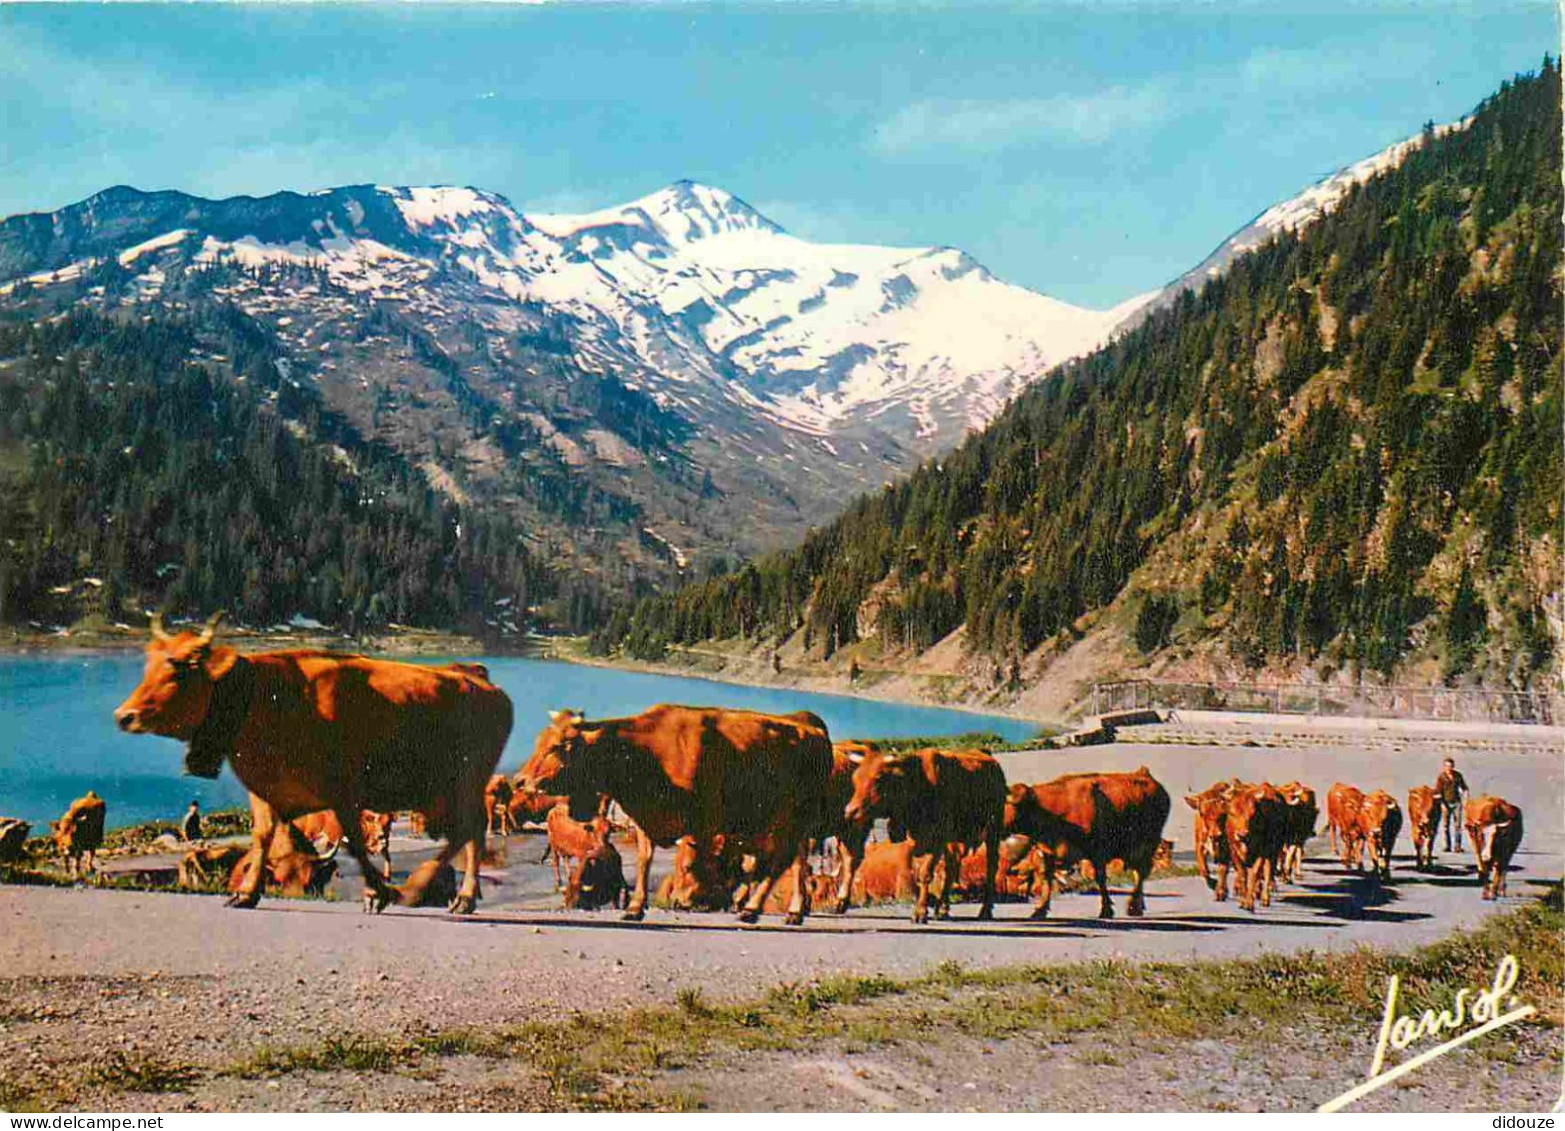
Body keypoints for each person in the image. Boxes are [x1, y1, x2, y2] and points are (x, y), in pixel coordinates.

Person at [1434, 758, 1469, 852]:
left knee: (1457, 826)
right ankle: (1447, 846)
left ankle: (1457, 846)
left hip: (1456, 802)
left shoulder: (1458, 776)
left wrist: (1465, 799)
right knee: (1445, 826)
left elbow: (1464, 788)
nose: (1449, 768)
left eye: (1451, 766)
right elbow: (1438, 791)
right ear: (1444, 767)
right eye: (1447, 766)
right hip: (1445, 803)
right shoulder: (1441, 777)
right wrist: (1441, 802)